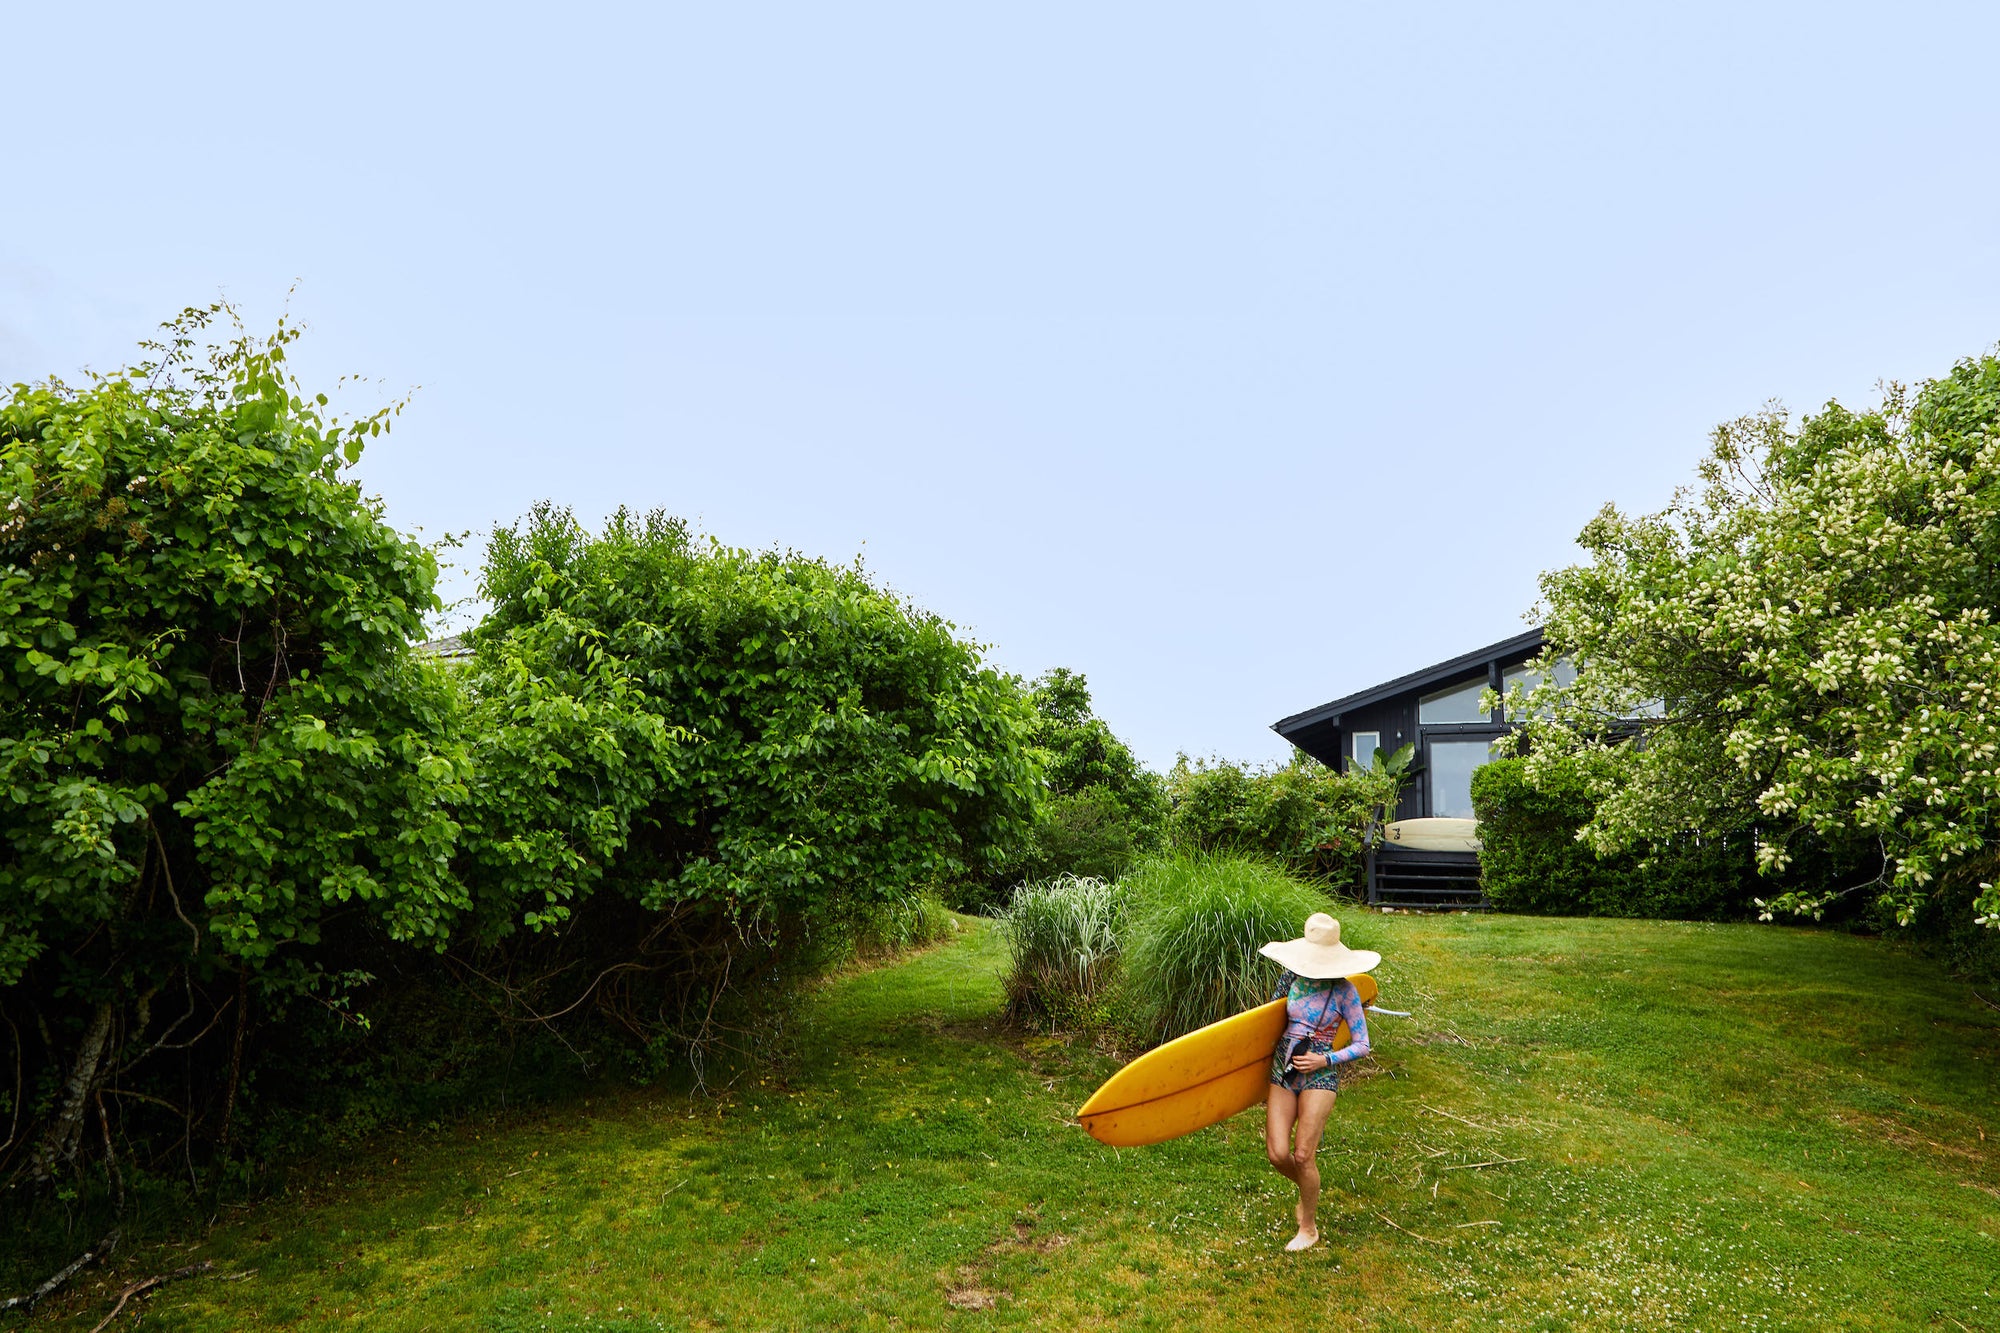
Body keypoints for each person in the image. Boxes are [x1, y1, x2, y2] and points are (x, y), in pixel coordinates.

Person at [1256, 912, 1380, 1252]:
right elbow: (1268, 1020)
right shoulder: (1290, 979)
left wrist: (1324, 1059)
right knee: (1278, 1153)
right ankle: (1308, 1192)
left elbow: (1362, 1045)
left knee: (1303, 1155)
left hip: (1321, 1075)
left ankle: (1308, 1227)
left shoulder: (1345, 991)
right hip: (1285, 1070)